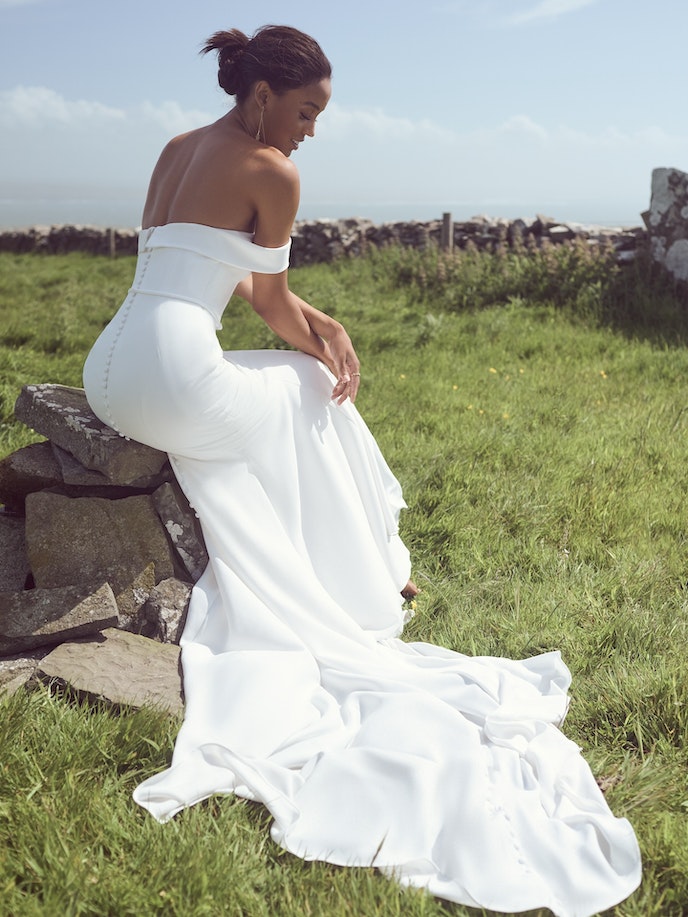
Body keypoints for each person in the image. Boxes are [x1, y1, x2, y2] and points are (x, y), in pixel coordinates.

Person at [83, 25, 641, 917]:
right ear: (262, 95)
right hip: (178, 379)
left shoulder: (178, 147)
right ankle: (366, 578)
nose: (310, 131)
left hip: (110, 371)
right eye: (306, 112)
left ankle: (365, 562)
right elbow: (267, 302)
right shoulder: (274, 172)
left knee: (297, 382)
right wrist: (326, 345)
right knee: (314, 390)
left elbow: (214, 268)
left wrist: (325, 322)